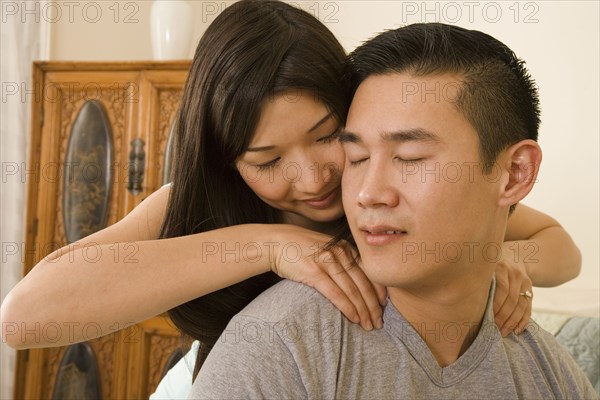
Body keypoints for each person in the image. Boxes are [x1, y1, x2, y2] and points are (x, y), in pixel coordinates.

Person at [0, 0, 580, 390]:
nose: (313, 179)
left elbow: (559, 248)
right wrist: (268, 244)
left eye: (330, 138)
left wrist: (498, 257)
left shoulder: (389, 189)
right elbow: (25, 318)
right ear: (230, 163)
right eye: (268, 161)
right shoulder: (209, 203)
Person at [189, 22, 596, 399]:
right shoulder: (279, 347)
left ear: (514, 174)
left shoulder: (551, 376)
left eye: (410, 157)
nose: (367, 194)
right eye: (358, 156)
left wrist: (501, 259)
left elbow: (560, 251)